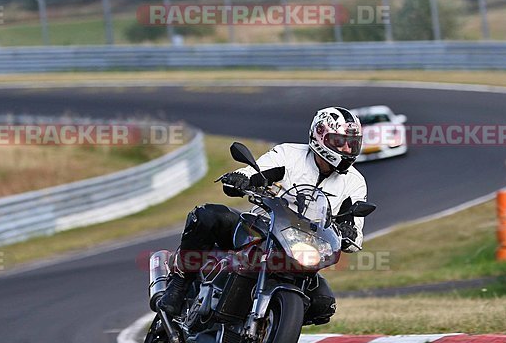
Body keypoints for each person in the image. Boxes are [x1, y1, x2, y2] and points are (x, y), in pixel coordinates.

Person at [157, 106, 368, 325]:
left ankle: (273, 325)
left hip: (304, 249)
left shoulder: (354, 182)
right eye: (338, 141)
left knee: (323, 304)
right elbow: (257, 170)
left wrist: (349, 232)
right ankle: (179, 282)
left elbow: (356, 233)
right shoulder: (289, 154)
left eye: (352, 143)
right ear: (320, 136)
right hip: (262, 229)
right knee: (208, 215)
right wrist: (241, 178)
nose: (346, 148)